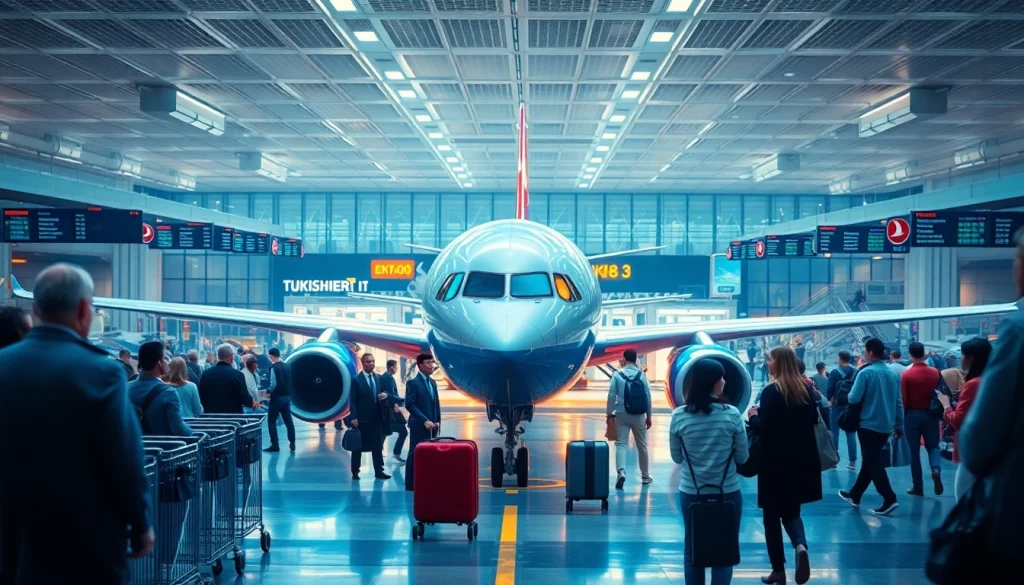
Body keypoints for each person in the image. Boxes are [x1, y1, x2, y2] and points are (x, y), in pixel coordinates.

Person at [0, 263, 153, 582]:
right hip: (84, 540)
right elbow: (124, 456)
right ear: (85, 310)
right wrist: (140, 523)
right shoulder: (102, 372)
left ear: (35, 310)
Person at [670, 358, 748, 585]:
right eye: (721, 378)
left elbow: (677, 457)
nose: (724, 382)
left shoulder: (679, 416)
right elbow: (743, 457)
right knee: (724, 552)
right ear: (714, 383)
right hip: (728, 492)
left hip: (692, 492)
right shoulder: (732, 415)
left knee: (692, 551)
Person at [748, 346, 820, 585]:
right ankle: (800, 545)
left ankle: (778, 570)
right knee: (791, 511)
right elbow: (812, 421)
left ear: (778, 363)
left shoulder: (771, 391)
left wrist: (753, 417)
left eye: (769, 359)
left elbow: (765, 428)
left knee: (771, 517)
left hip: (774, 463)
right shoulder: (806, 390)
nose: (766, 363)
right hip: (801, 461)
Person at [839, 338, 904, 517]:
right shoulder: (893, 374)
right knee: (869, 460)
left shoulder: (865, 373)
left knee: (873, 462)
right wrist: (899, 425)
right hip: (886, 425)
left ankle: (889, 498)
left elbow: (853, 398)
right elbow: (898, 402)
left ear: (869, 352)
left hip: (868, 424)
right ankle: (855, 494)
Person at [937, 338, 991, 499]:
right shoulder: (992, 380)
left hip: (971, 447)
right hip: (990, 445)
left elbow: (957, 420)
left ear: (971, 358)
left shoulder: (973, 384)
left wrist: (946, 405)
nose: (960, 359)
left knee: (962, 496)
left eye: (963, 355)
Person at [900, 341, 944, 497]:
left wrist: (901, 419)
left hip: (912, 415)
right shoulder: (935, 372)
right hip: (931, 414)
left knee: (914, 452)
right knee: (933, 446)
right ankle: (936, 469)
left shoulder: (907, 375)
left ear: (910, 355)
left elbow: (904, 400)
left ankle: (918, 486)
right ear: (924, 353)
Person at [607, 348, 653, 489]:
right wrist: (649, 416)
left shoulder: (617, 375)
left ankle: (621, 472)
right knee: (642, 445)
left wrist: (609, 413)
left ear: (624, 359)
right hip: (639, 415)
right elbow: (648, 396)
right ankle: (645, 476)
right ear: (635, 359)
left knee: (621, 444)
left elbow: (611, 396)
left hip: (622, 414)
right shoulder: (641, 375)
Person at [128, 342, 193, 437]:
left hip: (133, 444)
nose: (169, 362)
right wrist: (193, 433)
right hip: (160, 444)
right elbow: (178, 428)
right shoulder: (168, 392)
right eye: (166, 358)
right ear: (159, 363)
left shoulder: (126, 388)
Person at [349, 353, 392, 480]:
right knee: (358, 446)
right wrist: (354, 417)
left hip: (377, 418)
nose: (371, 363)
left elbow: (386, 392)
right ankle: (355, 471)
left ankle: (379, 471)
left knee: (377, 446)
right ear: (363, 363)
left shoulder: (379, 378)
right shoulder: (356, 379)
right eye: (368, 362)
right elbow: (352, 400)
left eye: (373, 361)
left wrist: (385, 395)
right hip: (362, 419)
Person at [404, 353, 441, 491]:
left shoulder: (433, 382)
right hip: (419, 425)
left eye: (432, 362)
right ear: (420, 365)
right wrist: (424, 420)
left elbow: (435, 404)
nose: (432, 365)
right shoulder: (413, 383)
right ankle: (410, 483)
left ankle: (426, 479)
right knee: (414, 453)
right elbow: (410, 404)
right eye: (428, 362)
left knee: (430, 453)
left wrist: (437, 421)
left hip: (432, 426)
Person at [200, 343, 257, 414]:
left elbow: (201, 396)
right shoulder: (238, 375)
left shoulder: (205, 374)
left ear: (218, 357)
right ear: (231, 357)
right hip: (233, 417)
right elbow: (245, 399)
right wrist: (253, 402)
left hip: (211, 416)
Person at [825, 350, 858, 470]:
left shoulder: (835, 372)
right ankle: (852, 462)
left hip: (837, 405)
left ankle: (834, 461)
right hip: (850, 406)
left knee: (835, 433)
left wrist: (830, 399)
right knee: (851, 433)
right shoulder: (856, 371)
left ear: (840, 358)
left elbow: (829, 389)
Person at [266, 347, 296, 453]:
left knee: (271, 421)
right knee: (288, 421)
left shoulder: (274, 367)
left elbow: (273, 383)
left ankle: (275, 445)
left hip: (277, 397)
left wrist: (268, 391)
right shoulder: (287, 366)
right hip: (286, 397)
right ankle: (292, 442)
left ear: (271, 356)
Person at [381, 359, 408, 462]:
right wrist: (400, 400)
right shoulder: (387, 378)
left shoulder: (387, 377)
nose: (397, 369)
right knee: (403, 431)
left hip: (389, 410)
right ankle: (396, 453)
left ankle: (380, 451)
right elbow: (390, 395)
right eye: (396, 367)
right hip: (390, 411)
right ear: (391, 367)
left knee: (385, 431)